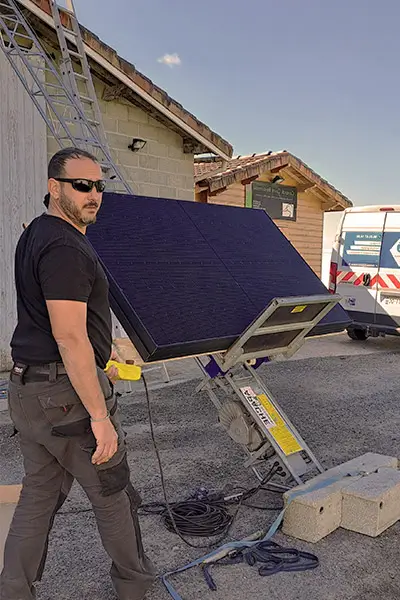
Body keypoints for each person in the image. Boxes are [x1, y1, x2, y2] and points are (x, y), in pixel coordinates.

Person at [0, 147, 156, 600]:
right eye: (82, 186)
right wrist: (100, 417)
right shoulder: (65, 247)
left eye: (99, 186)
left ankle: (13, 591)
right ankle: (135, 590)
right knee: (114, 494)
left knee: (39, 496)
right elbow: (69, 338)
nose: (94, 195)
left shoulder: (37, 234)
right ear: (55, 187)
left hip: (28, 390)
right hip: (63, 395)